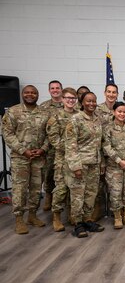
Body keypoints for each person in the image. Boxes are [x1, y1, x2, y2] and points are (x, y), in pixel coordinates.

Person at [2, 85, 49, 234]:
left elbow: (50, 135)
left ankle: (33, 216)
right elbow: (8, 134)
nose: (30, 94)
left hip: (38, 158)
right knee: (20, 189)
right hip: (20, 158)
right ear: (23, 94)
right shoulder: (13, 112)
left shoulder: (44, 113)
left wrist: (43, 149)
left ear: (37, 94)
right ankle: (19, 219)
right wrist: (24, 151)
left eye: (33, 92)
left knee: (36, 189)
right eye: (27, 92)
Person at [65, 91, 105, 238]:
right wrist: (75, 166)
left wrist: (101, 162)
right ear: (82, 103)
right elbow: (70, 144)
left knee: (90, 194)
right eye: (88, 101)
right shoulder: (75, 119)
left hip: (94, 163)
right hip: (80, 164)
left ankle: (88, 220)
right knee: (77, 195)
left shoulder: (98, 119)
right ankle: (77, 224)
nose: (92, 104)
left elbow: (100, 144)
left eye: (94, 101)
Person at [46, 87, 79, 231]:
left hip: (77, 159)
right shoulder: (56, 116)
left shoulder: (80, 115)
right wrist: (70, 149)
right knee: (61, 188)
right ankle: (57, 217)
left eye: (73, 98)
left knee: (75, 188)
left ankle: (73, 215)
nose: (70, 101)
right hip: (62, 158)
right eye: (68, 98)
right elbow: (53, 138)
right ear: (63, 99)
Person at [93, 83, 119, 221]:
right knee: (99, 182)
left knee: (113, 183)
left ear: (117, 94)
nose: (111, 94)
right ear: (104, 93)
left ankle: (114, 209)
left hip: (116, 153)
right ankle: (98, 209)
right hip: (100, 151)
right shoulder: (97, 110)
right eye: (109, 92)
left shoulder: (119, 110)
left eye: (114, 92)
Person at [40, 80, 63, 211]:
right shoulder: (43, 107)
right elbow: (41, 128)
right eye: (52, 88)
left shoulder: (68, 104)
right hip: (49, 148)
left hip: (65, 148)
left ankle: (63, 201)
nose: (55, 90)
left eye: (57, 88)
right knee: (48, 173)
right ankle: (48, 196)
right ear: (49, 90)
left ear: (61, 89)